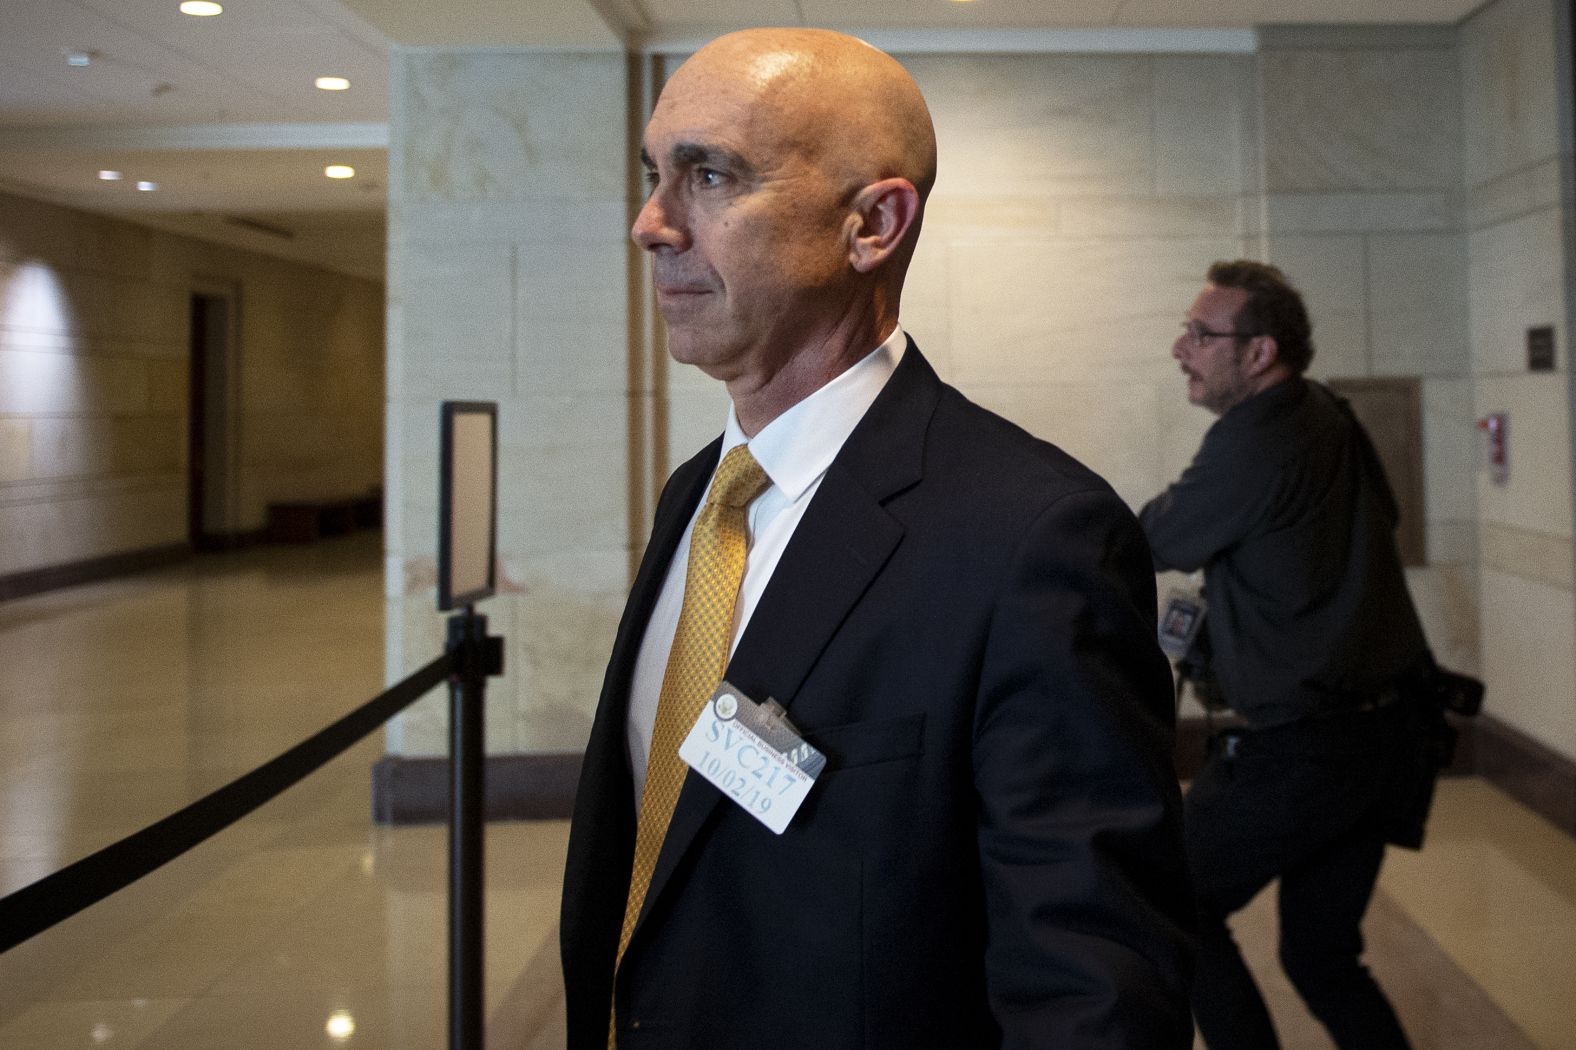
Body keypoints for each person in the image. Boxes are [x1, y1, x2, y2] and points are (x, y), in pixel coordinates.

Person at [559, 27, 1193, 1050]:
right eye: (652, 175)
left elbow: (1089, 987)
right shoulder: (698, 496)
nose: (649, 224)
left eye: (708, 175)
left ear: (872, 224)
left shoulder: (1035, 539)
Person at [1139, 260, 1431, 1050]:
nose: (1181, 347)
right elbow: (1388, 513)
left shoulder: (1254, 439)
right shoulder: (1328, 413)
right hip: (1387, 737)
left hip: (1300, 748)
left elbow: (1152, 538)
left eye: (1203, 334)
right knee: (1323, 956)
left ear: (1260, 353)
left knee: (1175, 903)